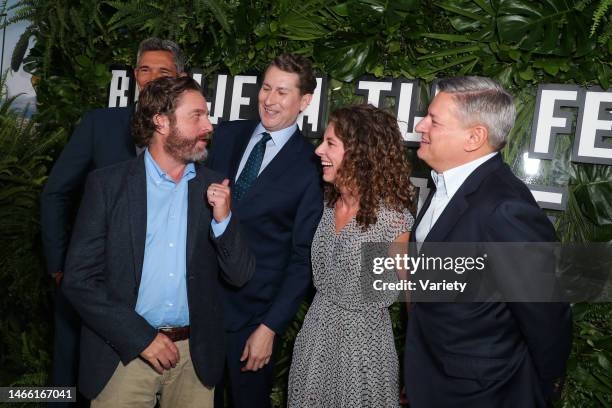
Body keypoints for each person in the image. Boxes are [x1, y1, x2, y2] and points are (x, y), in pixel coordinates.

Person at [62, 76, 254, 407]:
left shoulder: (213, 187)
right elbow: (79, 281)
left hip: (194, 359)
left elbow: (240, 275)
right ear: (161, 122)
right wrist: (141, 338)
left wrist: (224, 220)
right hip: (123, 354)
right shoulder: (108, 186)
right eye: (196, 116)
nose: (208, 125)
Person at [404, 76, 572, 407]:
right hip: (434, 378)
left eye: (434, 120)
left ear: (474, 137)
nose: (420, 125)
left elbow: (546, 314)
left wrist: (541, 389)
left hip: (482, 393)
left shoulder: (505, 207)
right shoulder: (447, 186)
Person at [40, 37, 186, 399]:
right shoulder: (99, 124)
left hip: (154, 294)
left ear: (179, 76)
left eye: (163, 70)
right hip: (92, 282)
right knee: (69, 379)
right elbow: (55, 193)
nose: (151, 77)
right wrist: (60, 266)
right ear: (135, 75)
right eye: (144, 69)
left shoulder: (189, 134)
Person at [205, 53, 323, 408]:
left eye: (282, 92)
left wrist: (270, 327)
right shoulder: (224, 136)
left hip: (253, 322)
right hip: (197, 309)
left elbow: (303, 258)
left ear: (304, 101)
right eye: (266, 88)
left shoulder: (313, 167)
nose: (269, 100)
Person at [287, 104, 415, 407]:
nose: (318, 151)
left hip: (364, 347)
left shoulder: (392, 219)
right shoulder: (327, 205)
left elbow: (412, 293)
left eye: (330, 143)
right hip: (316, 338)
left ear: (360, 153)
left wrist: (418, 363)